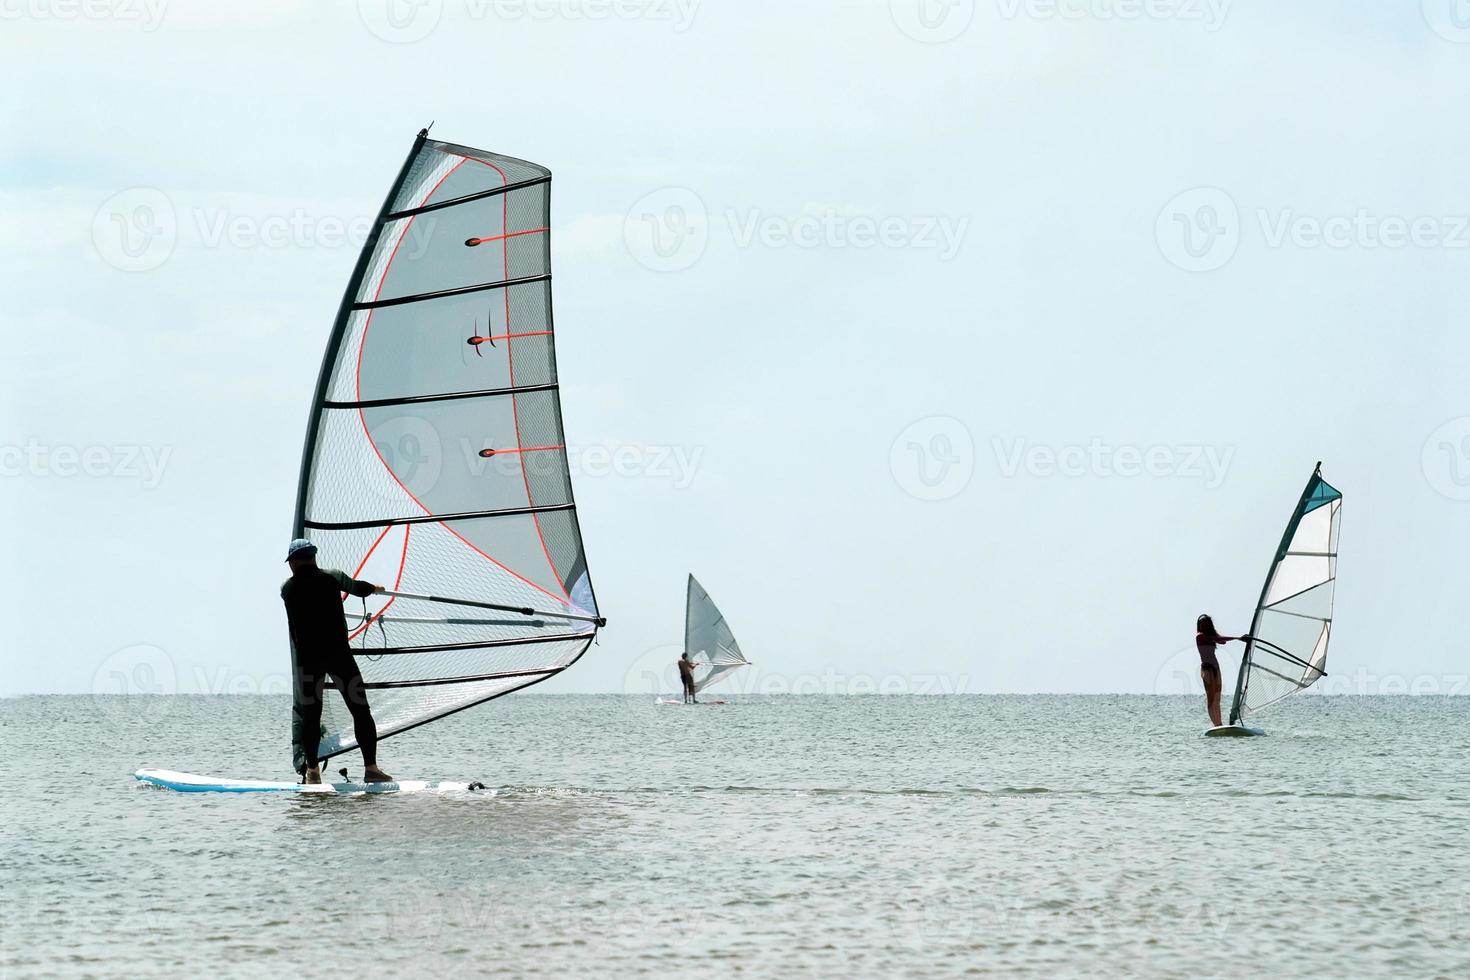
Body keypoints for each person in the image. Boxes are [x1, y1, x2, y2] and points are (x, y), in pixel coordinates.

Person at [281, 538, 392, 784]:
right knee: (360, 710)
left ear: (295, 562)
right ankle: (371, 769)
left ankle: (312, 772)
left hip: (309, 662)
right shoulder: (332, 577)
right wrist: (375, 588)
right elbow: (358, 587)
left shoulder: (287, 589)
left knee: (311, 716)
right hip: (338, 655)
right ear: (313, 557)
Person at [1196, 614, 1247, 728]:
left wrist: (1240, 639)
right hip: (1207, 668)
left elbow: (1222, 641)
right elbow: (1218, 639)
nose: (1203, 626)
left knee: (1217, 697)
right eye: (1201, 624)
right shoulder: (1200, 636)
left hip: (1216, 667)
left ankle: (1220, 724)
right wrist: (1237, 638)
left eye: (1205, 623)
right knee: (1211, 698)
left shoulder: (1211, 636)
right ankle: (1216, 724)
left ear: (1209, 625)